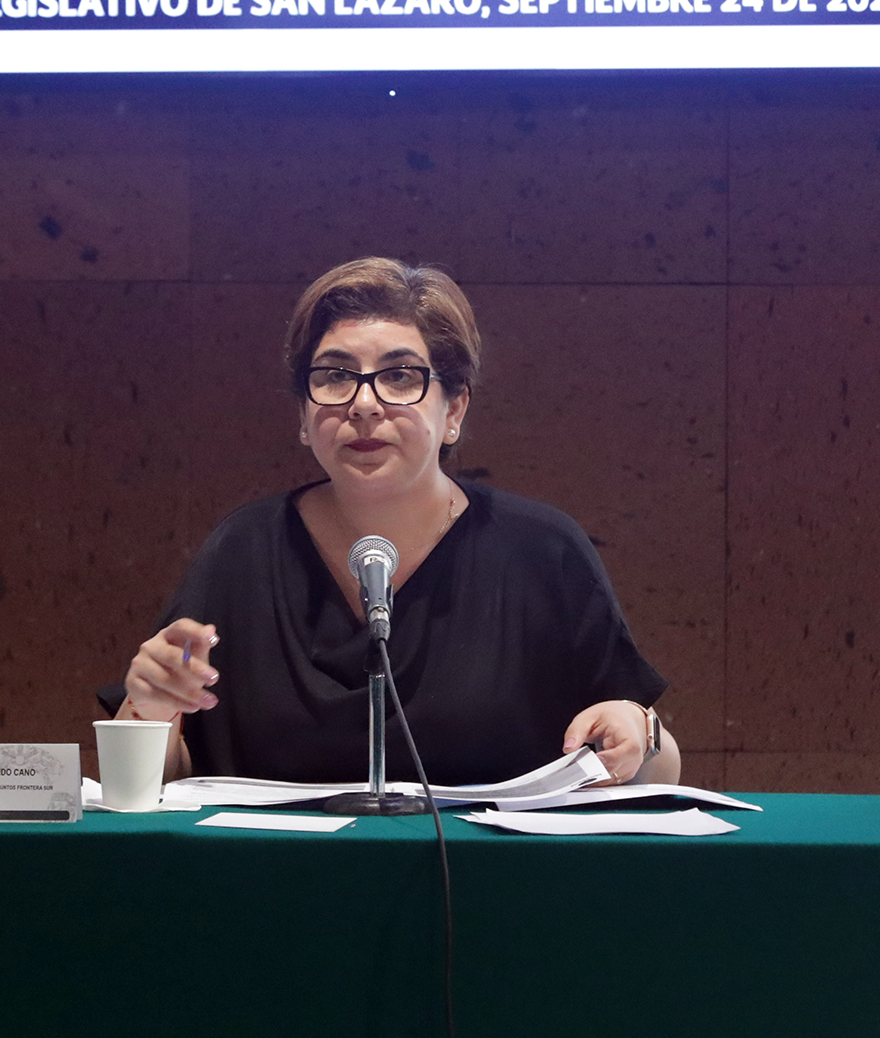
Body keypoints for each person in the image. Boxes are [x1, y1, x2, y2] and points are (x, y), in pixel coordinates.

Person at [108, 257, 677, 787]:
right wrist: (150, 710)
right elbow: (158, 785)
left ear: (454, 410)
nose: (363, 404)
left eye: (400, 376)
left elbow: (657, 771)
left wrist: (638, 730)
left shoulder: (541, 551)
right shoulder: (244, 550)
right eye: (335, 375)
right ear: (304, 415)